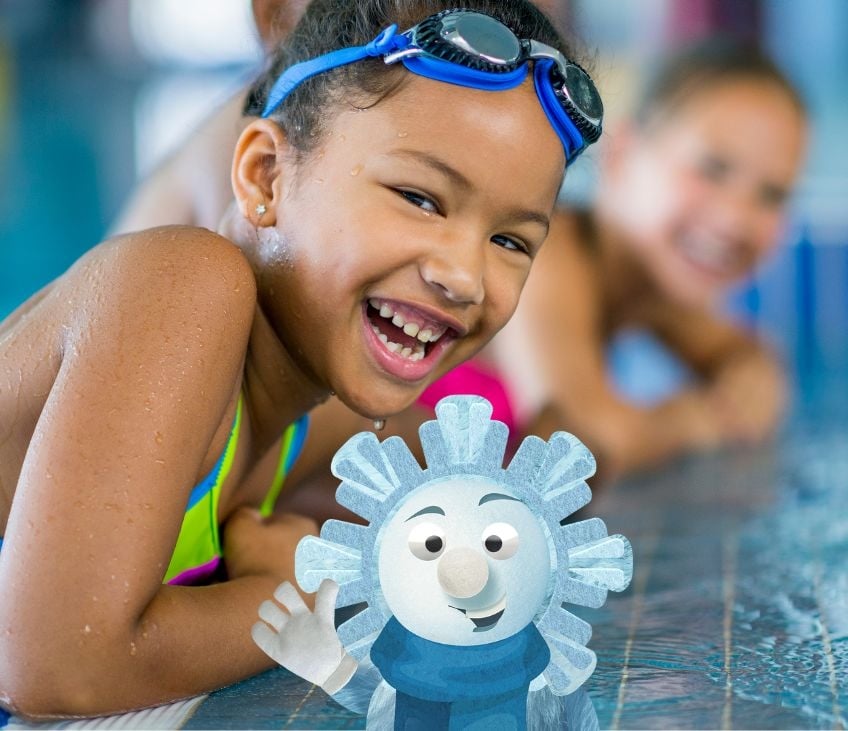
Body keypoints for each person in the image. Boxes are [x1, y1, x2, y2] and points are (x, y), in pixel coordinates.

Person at [0, 0, 599, 719]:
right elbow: (59, 665)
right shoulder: (183, 284)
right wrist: (298, 597)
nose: (464, 276)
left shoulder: (307, 412)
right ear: (262, 177)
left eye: (512, 241)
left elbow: (516, 483)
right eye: (419, 197)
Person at [491, 36, 808, 477]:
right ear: (622, 154)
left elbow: (748, 359)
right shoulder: (546, 252)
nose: (735, 219)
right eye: (712, 169)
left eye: (772, 195)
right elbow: (573, 448)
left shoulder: (650, 288)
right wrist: (700, 421)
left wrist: (747, 376)